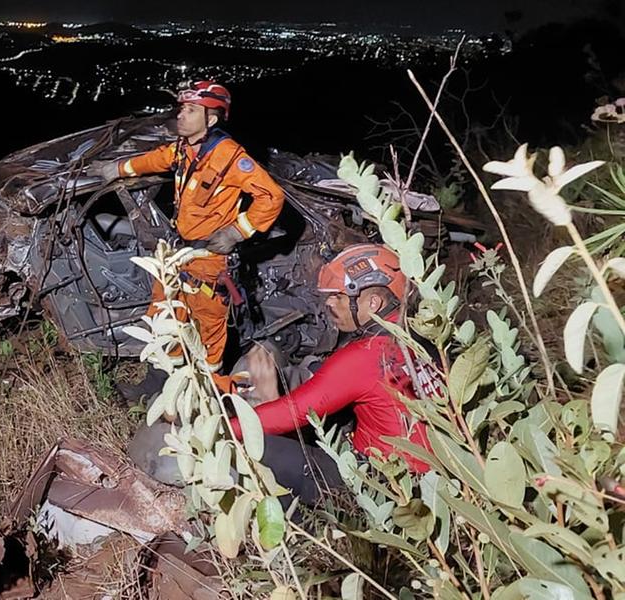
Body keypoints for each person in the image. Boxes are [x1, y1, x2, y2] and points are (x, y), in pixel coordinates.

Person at [98, 81, 285, 393]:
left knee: (208, 340)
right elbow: (156, 159)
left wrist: (236, 232)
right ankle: (157, 388)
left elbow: (271, 196)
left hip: (209, 264)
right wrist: (119, 168)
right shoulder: (185, 150)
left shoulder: (229, 156)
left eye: (191, 110)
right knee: (162, 321)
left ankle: (212, 402)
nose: (181, 116)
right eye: (182, 109)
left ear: (211, 119)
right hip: (178, 256)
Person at [229, 243, 437, 506]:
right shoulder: (424, 339)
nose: (329, 303)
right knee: (318, 374)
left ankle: (302, 524)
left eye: (338, 296)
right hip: (426, 479)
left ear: (373, 303)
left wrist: (223, 427)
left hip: (383, 487)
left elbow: (289, 414)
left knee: (261, 448)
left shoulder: (366, 355)